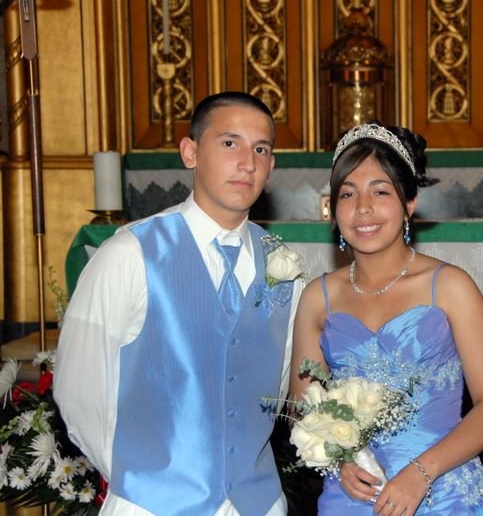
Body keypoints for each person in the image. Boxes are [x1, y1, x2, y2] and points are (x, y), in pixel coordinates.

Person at [54, 91, 305, 516]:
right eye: (230, 143)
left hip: (257, 503)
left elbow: (277, 388)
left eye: (261, 149)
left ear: (272, 165)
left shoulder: (284, 268)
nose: (248, 162)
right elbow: (79, 388)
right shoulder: (130, 253)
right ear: (190, 152)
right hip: (150, 503)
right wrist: (140, 479)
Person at [290, 122, 483, 515]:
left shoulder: (450, 286)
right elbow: (301, 404)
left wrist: (422, 473)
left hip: (443, 494)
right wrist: (340, 459)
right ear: (333, 208)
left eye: (380, 191)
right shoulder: (317, 297)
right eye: (348, 193)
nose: (363, 208)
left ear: (409, 203)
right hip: (352, 496)